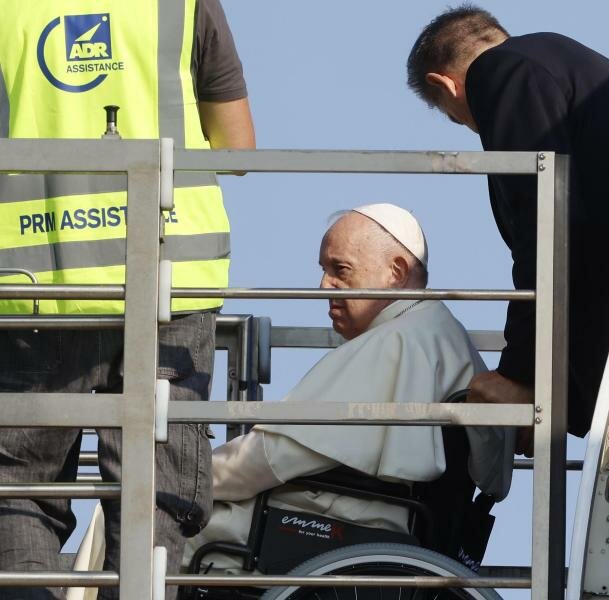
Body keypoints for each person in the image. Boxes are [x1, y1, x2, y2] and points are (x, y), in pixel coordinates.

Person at [0, 1, 255, 599]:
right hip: (169, 278)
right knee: (155, 483)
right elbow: (237, 149)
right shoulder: (184, 4)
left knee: (17, 487)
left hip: (41, 280)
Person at [406, 5, 609, 449]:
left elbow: (544, 226)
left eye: (459, 118)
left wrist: (516, 374)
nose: (474, 127)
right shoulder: (562, 63)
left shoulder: (501, 71)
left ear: (445, 84)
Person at [182, 204, 514, 570]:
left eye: (340, 269)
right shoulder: (437, 332)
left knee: (159, 530)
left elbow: (271, 456)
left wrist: (189, 481)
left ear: (396, 272)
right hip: (366, 525)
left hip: (332, 526)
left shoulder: (399, 341)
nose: (324, 285)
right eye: (323, 270)